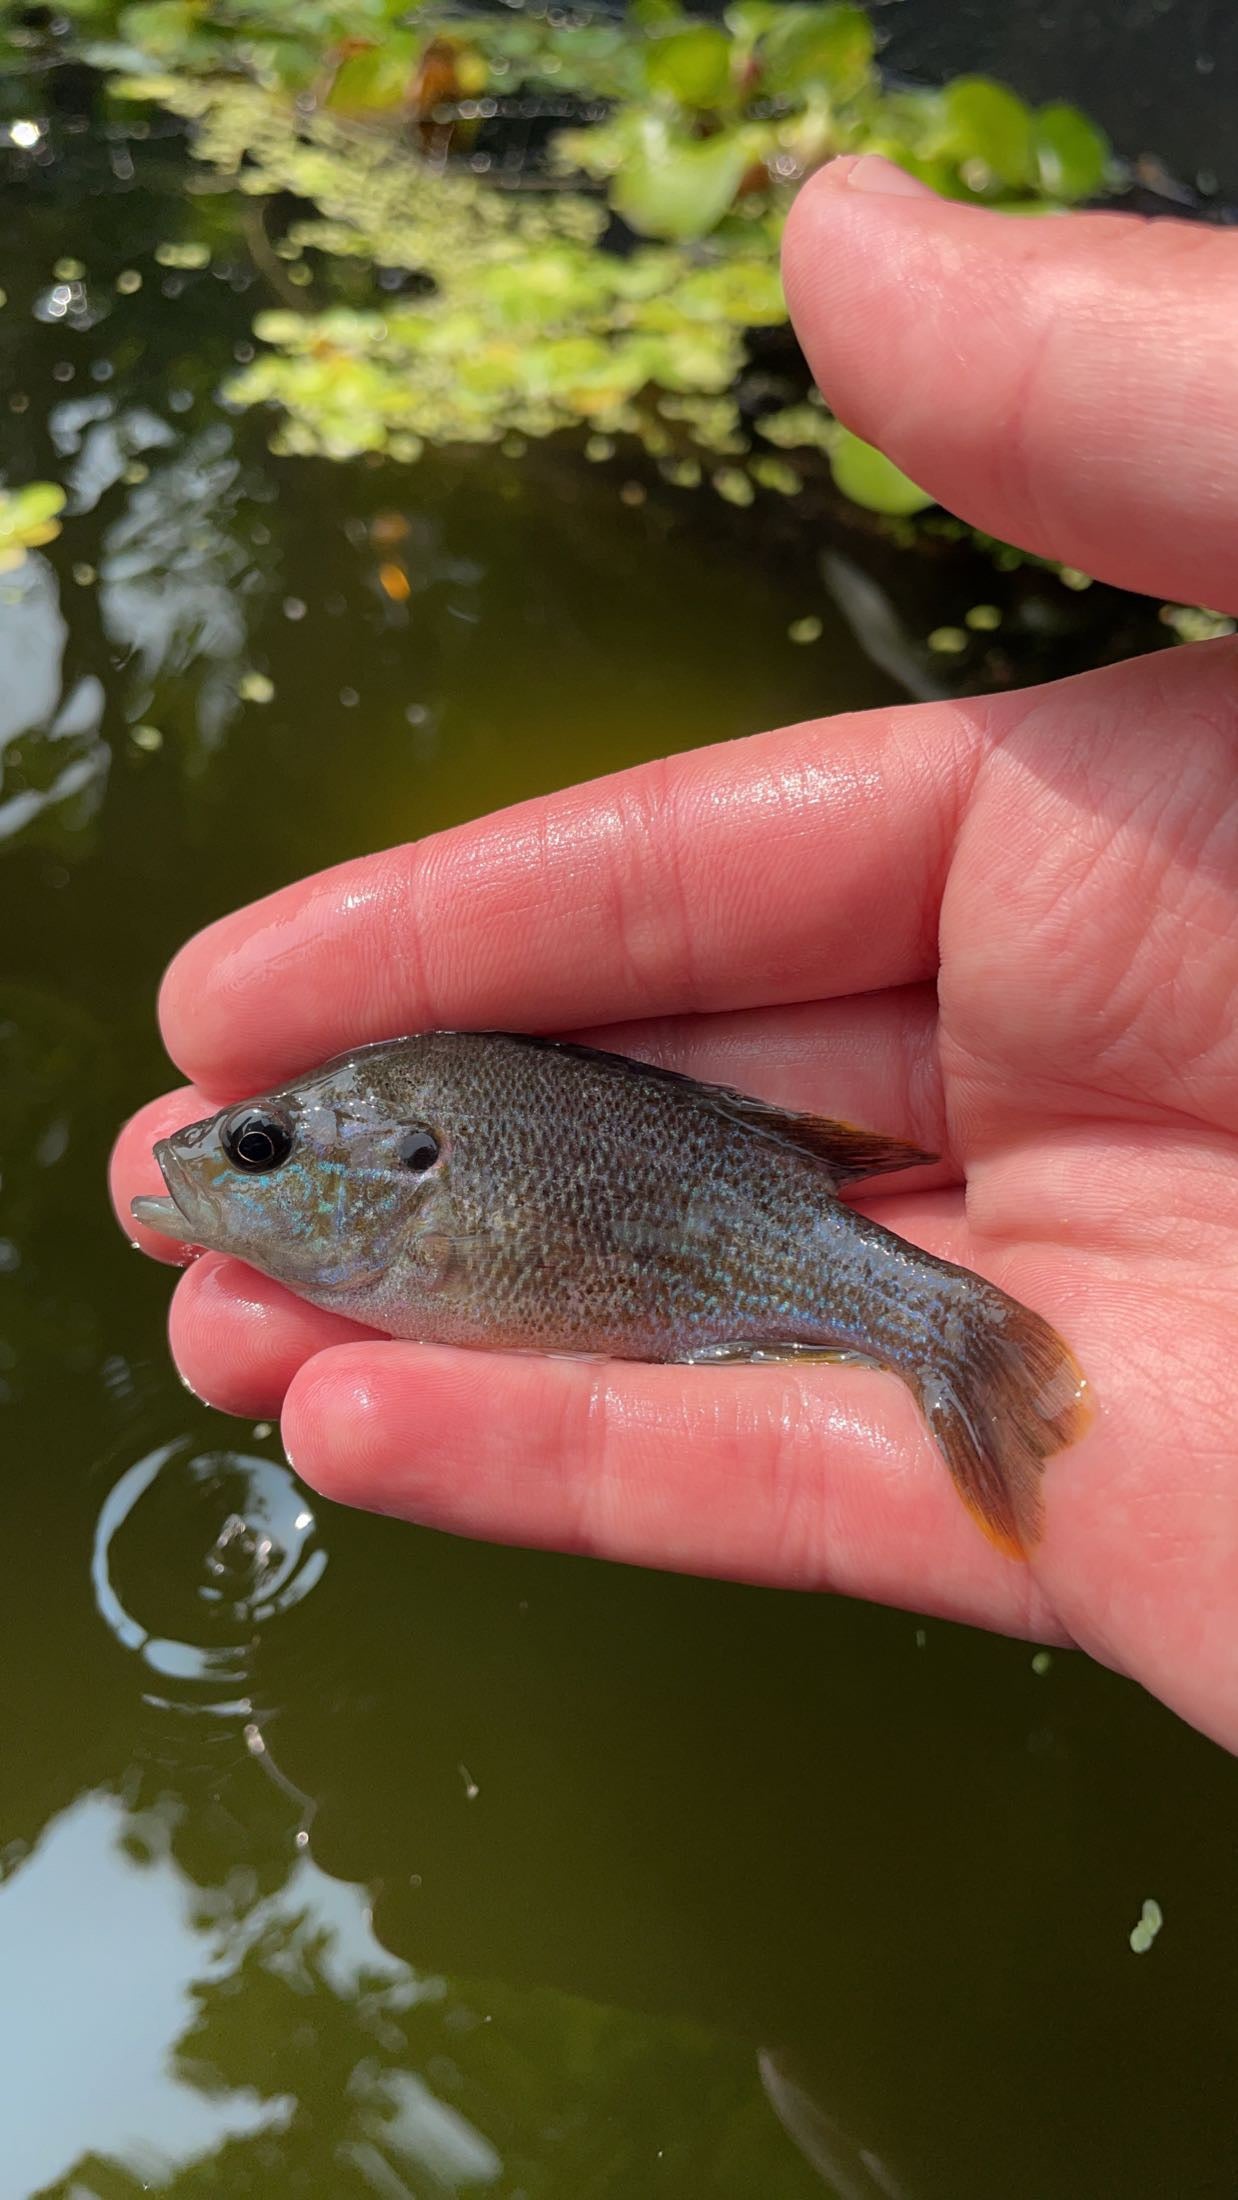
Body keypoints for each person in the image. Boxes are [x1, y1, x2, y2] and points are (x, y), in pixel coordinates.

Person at [111, 155, 1238, 1755]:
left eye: (265, 1142)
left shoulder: (432, 1157)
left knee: (909, 1326)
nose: (223, 1156)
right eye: (247, 1142)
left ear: (397, 1158)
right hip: (751, 1249)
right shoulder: (402, 1170)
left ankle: (946, 1336)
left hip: (786, 1252)